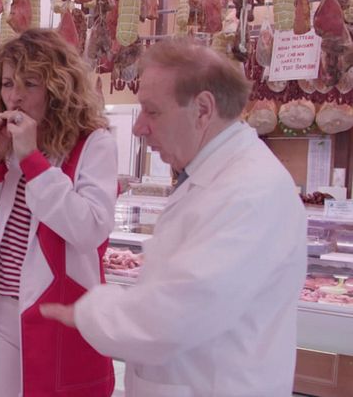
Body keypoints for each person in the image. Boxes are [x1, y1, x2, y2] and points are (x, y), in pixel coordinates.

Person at [41, 38, 307, 396]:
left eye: (152, 112)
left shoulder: (249, 190)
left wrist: (88, 311)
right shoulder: (214, 176)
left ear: (202, 110)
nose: (138, 127)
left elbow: (175, 315)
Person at [0, 29, 117, 397]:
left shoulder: (94, 143)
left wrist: (33, 160)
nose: (15, 96)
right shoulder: (3, 144)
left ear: (57, 88)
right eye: (8, 83)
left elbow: (90, 229)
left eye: (30, 83)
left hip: (59, 314)